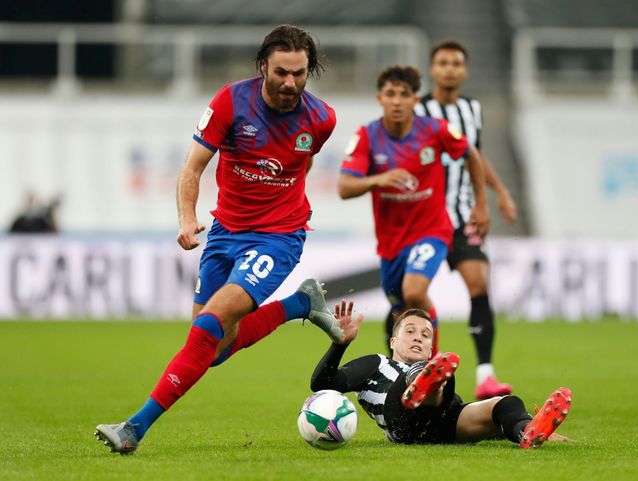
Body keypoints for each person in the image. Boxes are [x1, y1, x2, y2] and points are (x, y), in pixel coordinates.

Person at [95, 24, 343, 455]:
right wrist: (187, 218)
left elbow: (300, 165)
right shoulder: (231, 101)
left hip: (278, 237)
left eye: (299, 74)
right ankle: (300, 304)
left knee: (210, 323)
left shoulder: (321, 119)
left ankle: (134, 428)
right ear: (263, 65)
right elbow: (192, 168)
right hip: (225, 232)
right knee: (213, 350)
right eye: (282, 72)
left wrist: (293, 212)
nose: (290, 83)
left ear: (309, 71)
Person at [337, 65, 489, 356]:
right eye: (390, 94)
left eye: (404, 94)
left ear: (415, 101)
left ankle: (432, 366)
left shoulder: (435, 130)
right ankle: (402, 372)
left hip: (431, 231)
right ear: (379, 98)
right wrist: (379, 179)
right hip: (391, 242)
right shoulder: (367, 136)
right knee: (400, 309)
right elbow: (345, 187)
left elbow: (470, 153)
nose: (397, 101)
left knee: (415, 292)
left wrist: (481, 203)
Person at [409, 40, 518, 399]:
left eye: (457, 63)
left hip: (461, 217)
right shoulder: (418, 109)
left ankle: (486, 375)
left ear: (464, 70)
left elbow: (477, 156)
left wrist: (497, 194)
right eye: (444, 63)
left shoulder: (472, 108)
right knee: (410, 297)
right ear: (432, 69)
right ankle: (406, 373)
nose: (451, 69)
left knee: (479, 285)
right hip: (423, 219)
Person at [311, 300, 572, 447]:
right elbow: (321, 383)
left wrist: (521, 423)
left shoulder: (437, 367)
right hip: (400, 418)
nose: (418, 337)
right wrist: (339, 344)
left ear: (429, 346)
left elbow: (489, 418)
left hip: (443, 421)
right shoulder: (376, 364)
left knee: (506, 403)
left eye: (425, 335)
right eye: (410, 331)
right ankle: (418, 387)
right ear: (392, 341)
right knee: (427, 374)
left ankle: (528, 434)